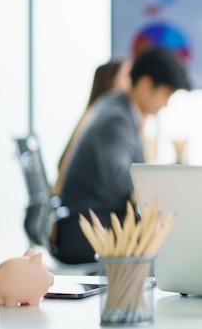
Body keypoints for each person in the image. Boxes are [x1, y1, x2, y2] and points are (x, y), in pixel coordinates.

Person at [54, 47, 191, 264]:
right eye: (166, 94)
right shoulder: (116, 118)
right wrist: (164, 183)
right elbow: (118, 180)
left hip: (92, 224)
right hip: (92, 230)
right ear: (146, 84)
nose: (165, 104)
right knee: (177, 240)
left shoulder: (117, 108)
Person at [52, 59, 132, 198]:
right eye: (127, 77)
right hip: (85, 207)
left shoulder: (93, 113)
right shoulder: (107, 119)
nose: (131, 83)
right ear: (113, 83)